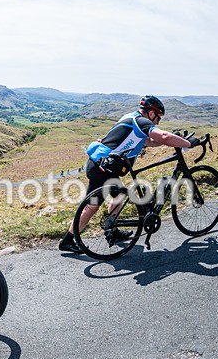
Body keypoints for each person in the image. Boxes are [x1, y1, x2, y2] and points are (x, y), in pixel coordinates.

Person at [58, 95, 202, 253]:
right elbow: (163, 136)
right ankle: (68, 240)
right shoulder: (141, 121)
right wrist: (188, 143)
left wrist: (177, 141)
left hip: (103, 166)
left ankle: (112, 231)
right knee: (91, 207)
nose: (158, 122)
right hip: (102, 169)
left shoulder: (131, 117)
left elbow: (149, 142)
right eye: (158, 117)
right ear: (151, 113)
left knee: (118, 196)